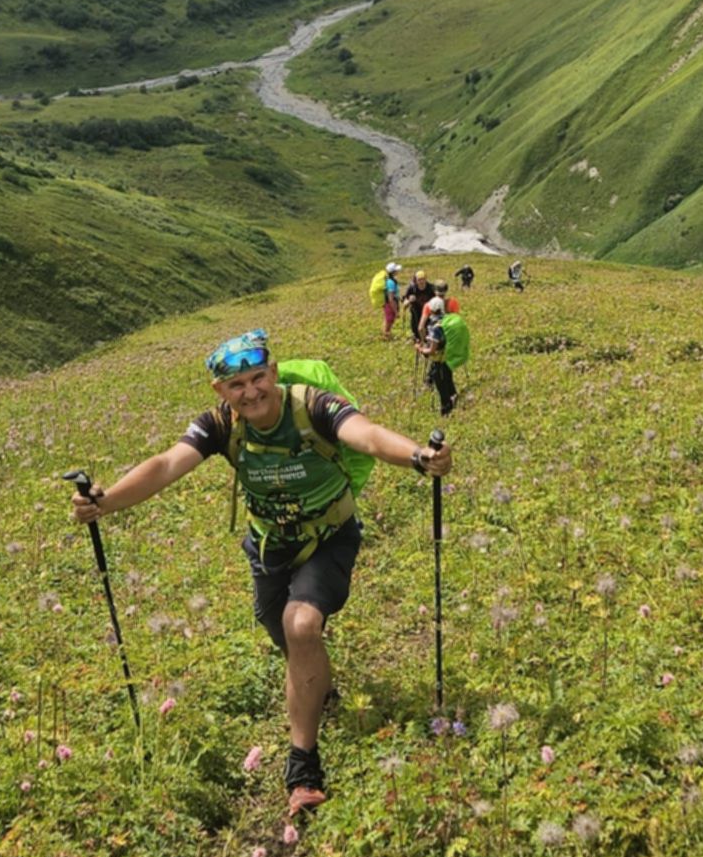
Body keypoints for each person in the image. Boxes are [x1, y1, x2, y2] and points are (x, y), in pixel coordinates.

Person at [70, 329, 452, 819]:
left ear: (273, 373)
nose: (250, 392)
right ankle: (318, 685)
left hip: (329, 537)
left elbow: (367, 435)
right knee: (285, 635)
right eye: (236, 385)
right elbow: (167, 464)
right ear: (220, 392)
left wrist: (419, 458)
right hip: (269, 546)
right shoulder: (218, 425)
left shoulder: (312, 404)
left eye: (257, 378)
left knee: (301, 625)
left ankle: (303, 767)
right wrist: (106, 502)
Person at [417, 295, 471, 415]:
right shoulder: (448, 320)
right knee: (448, 380)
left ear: (431, 310)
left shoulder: (436, 327)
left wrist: (420, 349)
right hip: (448, 358)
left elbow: (431, 350)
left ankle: (446, 411)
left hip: (439, 361)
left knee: (441, 387)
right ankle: (454, 399)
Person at [401, 268, 437, 341]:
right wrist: (409, 301)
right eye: (419, 280)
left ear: (426, 279)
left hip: (428, 311)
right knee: (415, 326)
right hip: (416, 310)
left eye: (423, 279)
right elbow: (404, 302)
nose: (421, 282)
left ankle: (427, 339)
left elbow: (437, 299)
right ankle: (419, 339)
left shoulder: (431, 288)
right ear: (416, 281)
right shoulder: (412, 288)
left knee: (428, 326)